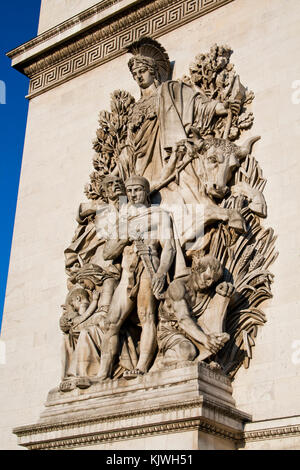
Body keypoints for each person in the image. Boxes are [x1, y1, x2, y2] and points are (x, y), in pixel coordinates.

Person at [97, 175, 177, 380]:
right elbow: (108, 253)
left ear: (146, 192)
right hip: (127, 272)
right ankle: (102, 373)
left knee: (147, 315)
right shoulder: (124, 221)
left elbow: (169, 247)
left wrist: (161, 273)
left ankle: (141, 367)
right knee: (111, 322)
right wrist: (125, 236)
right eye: (129, 190)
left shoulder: (159, 215)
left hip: (147, 268)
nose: (132, 194)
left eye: (137, 190)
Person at [156, 254, 234, 368]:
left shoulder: (209, 289)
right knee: (188, 352)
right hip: (171, 330)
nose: (210, 283)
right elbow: (183, 319)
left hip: (195, 330)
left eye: (213, 280)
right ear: (197, 270)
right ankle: (161, 363)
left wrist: (226, 290)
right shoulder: (178, 287)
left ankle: (202, 359)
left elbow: (232, 303)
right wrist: (205, 339)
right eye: (207, 278)